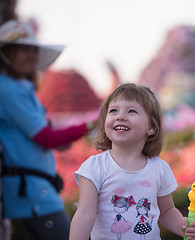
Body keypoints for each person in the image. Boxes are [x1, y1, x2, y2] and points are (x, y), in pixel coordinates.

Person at [0, 20, 95, 240]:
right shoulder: (9, 90)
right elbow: (46, 138)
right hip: (32, 194)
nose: (32, 55)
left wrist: (63, 137)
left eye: (34, 50)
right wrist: (91, 125)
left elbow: (44, 137)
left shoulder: (19, 88)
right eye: (24, 49)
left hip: (34, 190)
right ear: (6, 53)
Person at [69, 83, 195, 240]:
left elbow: (166, 211)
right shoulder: (94, 167)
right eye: (113, 111)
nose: (120, 116)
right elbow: (84, 214)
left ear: (151, 127)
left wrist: (182, 225)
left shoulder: (159, 168)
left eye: (131, 111)